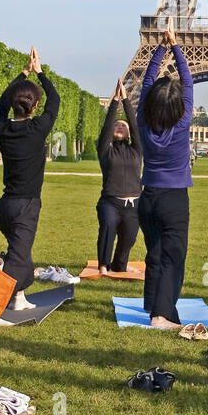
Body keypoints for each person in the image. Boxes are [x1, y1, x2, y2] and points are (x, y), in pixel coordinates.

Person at [0, 46, 60, 308]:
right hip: (26, 207)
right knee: (20, 267)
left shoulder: (1, 128)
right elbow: (55, 100)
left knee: (21, 256)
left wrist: (23, 74)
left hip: (5, 206)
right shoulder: (38, 128)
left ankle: (17, 299)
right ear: (36, 105)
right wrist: (39, 72)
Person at [137, 15, 193, 330]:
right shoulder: (182, 123)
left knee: (156, 255)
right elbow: (187, 84)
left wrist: (161, 48)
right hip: (174, 200)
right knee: (173, 258)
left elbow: (146, 85)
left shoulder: (144, 124)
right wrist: (176, 46)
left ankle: (152, 305)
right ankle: (161, 315)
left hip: (148, 198)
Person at [96, 77, 142, 275]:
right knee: (107, 229)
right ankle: (103, 264)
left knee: (129, 238)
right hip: (111, 202)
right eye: (117, 125)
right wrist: (115, 101)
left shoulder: (136, 149)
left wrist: (127, 101)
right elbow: (106, 128)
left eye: (123, 125)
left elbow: (135, 125)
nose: (119, 126)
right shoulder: (106, 150)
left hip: (134, 204)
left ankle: (119, 265)